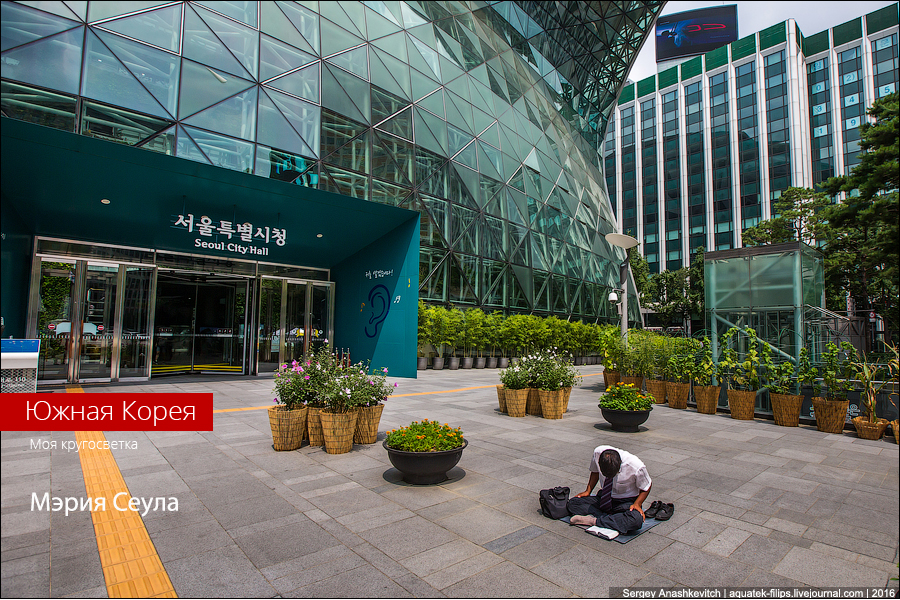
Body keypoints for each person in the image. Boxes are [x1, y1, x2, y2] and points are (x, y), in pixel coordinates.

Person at [566, 445, 651, 533]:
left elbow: (646, 486)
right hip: (604, 498)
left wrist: (637, 504)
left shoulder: (636, 466)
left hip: (625, 502)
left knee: (636, 520)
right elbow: (594, 471)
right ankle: (613, 519)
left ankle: (594, 521)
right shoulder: (597, 453)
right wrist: (588, 491)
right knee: (573, 503)